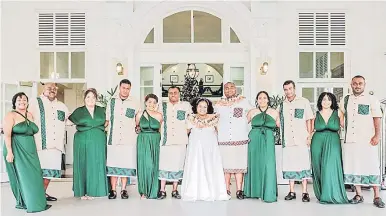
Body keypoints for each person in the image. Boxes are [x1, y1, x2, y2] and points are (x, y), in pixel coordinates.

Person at [340, 75, 384, 208]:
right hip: (351, 140)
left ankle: (377, 197)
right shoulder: (346, 99)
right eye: (355, 83)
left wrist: (377, 136)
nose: (357, 86)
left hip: (367, 140)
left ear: (364, 85)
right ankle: (358, 194)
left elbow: (377, 118)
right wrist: (342, 123)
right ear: (351, 84)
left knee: (372, 166)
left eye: (360, 83)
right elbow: (340, 112)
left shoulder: (371, 99)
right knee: (354, 167)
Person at [3, 92, 51, 212]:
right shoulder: (10, 115)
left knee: (35, 175)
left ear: (27, 102)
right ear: (14, 103)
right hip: (16, 149)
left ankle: (38, 201)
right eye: (19, 100)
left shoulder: (30, 115)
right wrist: (9, 152)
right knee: (24, 177)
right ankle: (29, 203)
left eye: (24, 100)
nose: (22, 102)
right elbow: (7, 135)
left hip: (30, 150)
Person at [181, 98, 230, 201]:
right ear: (196, 107)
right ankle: (194, 191)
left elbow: (220, 132)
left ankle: (212, 191)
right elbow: (185, 132)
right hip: (195, 148)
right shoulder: (191, 118)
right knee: (195, 165)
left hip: (210, 148)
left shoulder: (214, 119)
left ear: (208, 108)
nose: (202, 109)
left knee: (210, 165)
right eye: (200, 106)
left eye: (204, 107)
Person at [29, 83, 69, 201]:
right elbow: (28, 117)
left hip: (56, 146)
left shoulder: (61, 106)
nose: (52, 90)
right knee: (38, 172)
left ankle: (42, 194)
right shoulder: (35, 102)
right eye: (49, 88)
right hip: (40, 144)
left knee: (49, 172)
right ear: (43, 89)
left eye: (54, 88)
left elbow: (69, 120)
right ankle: (35, 196)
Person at [214, 82, 253, 199]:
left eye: (231, 87)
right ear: (223, 91)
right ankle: (226, 189)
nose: (229, 90)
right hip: (224, 139)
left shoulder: (243, 102)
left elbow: (252, 113)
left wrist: (245, 125)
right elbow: (215, 119)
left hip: (240, 138)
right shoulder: (219, 105)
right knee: (225, 166)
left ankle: (239, 190)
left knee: (239, 165)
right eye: (226, 88)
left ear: (235, 89)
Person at [68, 88, 108, 200]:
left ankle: (94, 190)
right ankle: (82, 191)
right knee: (83, 163)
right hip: (82, 140)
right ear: (84, 99)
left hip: (98, 140)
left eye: (93, 97)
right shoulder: (79, 111)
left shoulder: (102, 110)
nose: (91, 99)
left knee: (96, 164)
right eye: (88, 97)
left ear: (96, 99)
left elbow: (108, 122)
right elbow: (68, 122)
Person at [278, 80, 314, 202]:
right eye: (286, 89)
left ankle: (305, 192)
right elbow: (277, 120)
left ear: (294, 89)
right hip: (287, 140)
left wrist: (309, 136)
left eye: (290, 88)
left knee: (304, 164)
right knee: (289, 165)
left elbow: (309, 119)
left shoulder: (303, 102)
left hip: (301, 139)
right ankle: (291, 191)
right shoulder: (282, 105)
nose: (288, 91)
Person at [310, 92, 348, 204]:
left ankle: (332, 193)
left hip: (333, 141)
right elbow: (311, 130)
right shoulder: (315, 113)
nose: (326, 102)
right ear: (320, 101)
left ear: (333, 102)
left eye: (329, 99)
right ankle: (321, 193)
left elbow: (346, 126)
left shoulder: (338, 113)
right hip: (317, 141)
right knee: (318, 167)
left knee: (330, 167)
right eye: (324, 99)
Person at [106, 79, 141, 199]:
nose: (125, 90)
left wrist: (138, 128)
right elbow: (107, 120)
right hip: (113, 138)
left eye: (128, 88)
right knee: (113, 164)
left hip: (128, 139)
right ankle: (113, 190)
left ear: (130, 89)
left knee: (126, 164)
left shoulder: (135, 103)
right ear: (119, 88)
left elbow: (138, 120)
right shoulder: (111, 102)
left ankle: (124, 189)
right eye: (123, 88)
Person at [243, 91, 280, 203]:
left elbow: (280, 126)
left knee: (268, 164)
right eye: (260, 98)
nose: (262, 100)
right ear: (257, 100)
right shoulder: (252, 112)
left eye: (264, 98)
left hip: (268, 138)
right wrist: (245, 137)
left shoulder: (274, 112)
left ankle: (268, 191)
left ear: (268, 100)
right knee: (254, 163)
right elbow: (242, 125)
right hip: (254, 139)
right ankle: (253, 191)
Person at [157, 87, 192, 199]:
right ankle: (162, 190)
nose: (173, 94)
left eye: (175, 93)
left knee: (178, 165)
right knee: (164, 164)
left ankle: (175, 190)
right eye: (170, 93)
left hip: (180, 141)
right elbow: (158, 121)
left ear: (179, 94)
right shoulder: (162, 106)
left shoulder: (185, 106)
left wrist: (183, 134)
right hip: (165, 141)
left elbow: (189, 122)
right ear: (168, 94)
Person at [136, 94, 163, 199]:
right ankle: (144, 191)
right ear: (145, 102)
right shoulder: (139, 114)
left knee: (154, 166)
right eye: (150, 102)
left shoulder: (159, 115)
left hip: (155, 141)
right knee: (145, 165)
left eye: (154, 102)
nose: (152, 104)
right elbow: (137, 128)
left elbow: (161, 130)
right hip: (143, 141)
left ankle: (154, 190)